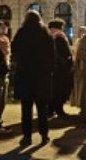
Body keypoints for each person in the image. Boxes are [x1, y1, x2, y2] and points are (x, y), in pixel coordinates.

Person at [12, 10, 55, 146]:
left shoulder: (22, 32)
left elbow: (14, 50)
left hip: (25, 76)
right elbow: (52, 54)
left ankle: (27, 136)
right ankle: (44, 135)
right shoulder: (45, 33)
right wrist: (49, 70)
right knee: (42, 108)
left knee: (26, 108)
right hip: (41, 76)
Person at [48, 19, 73, 118]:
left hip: (56, 68)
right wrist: (67, 62)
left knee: (55, 89)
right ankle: (58, 109)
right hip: (61, 69)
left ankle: (52, 109)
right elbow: (61, 53)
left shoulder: (53, 37)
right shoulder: (59, 37)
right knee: (60, 89)